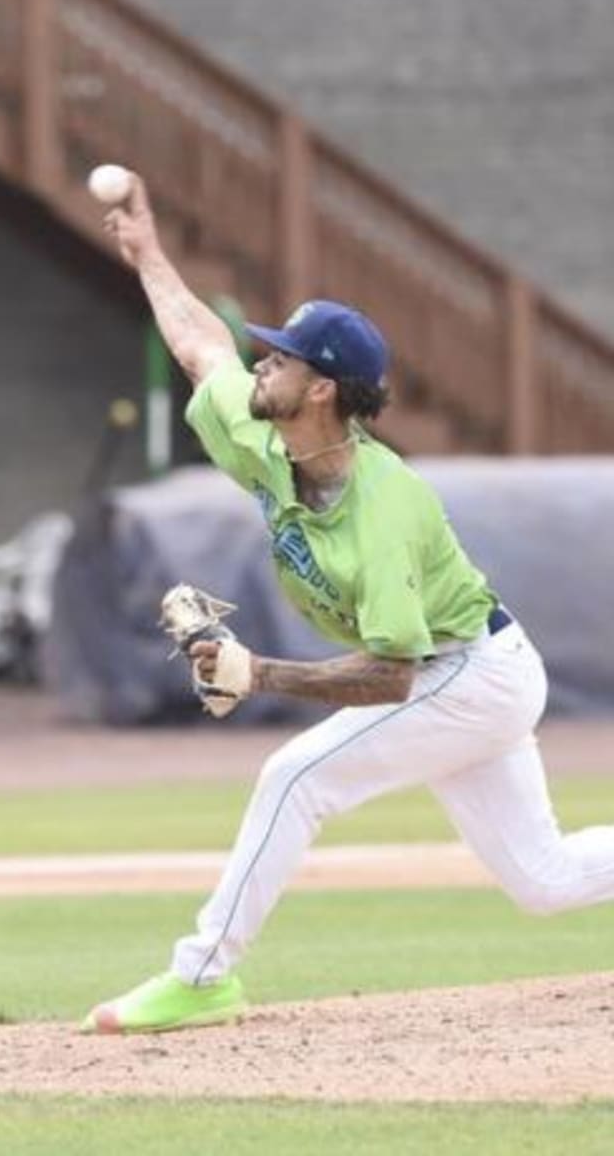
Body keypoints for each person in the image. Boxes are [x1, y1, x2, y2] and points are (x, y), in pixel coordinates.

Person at [81, 175, 614, 1035]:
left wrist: (259, 673)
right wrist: (149, 256)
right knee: (545, 881)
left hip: (467, 673)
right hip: (466, 669)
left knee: (294, 776)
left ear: (322, 389)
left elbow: (395, 672)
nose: (264, 362)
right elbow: (201, 349)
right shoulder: (265, 438)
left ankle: (205, 973)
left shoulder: (385, 506)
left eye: (282, 357)